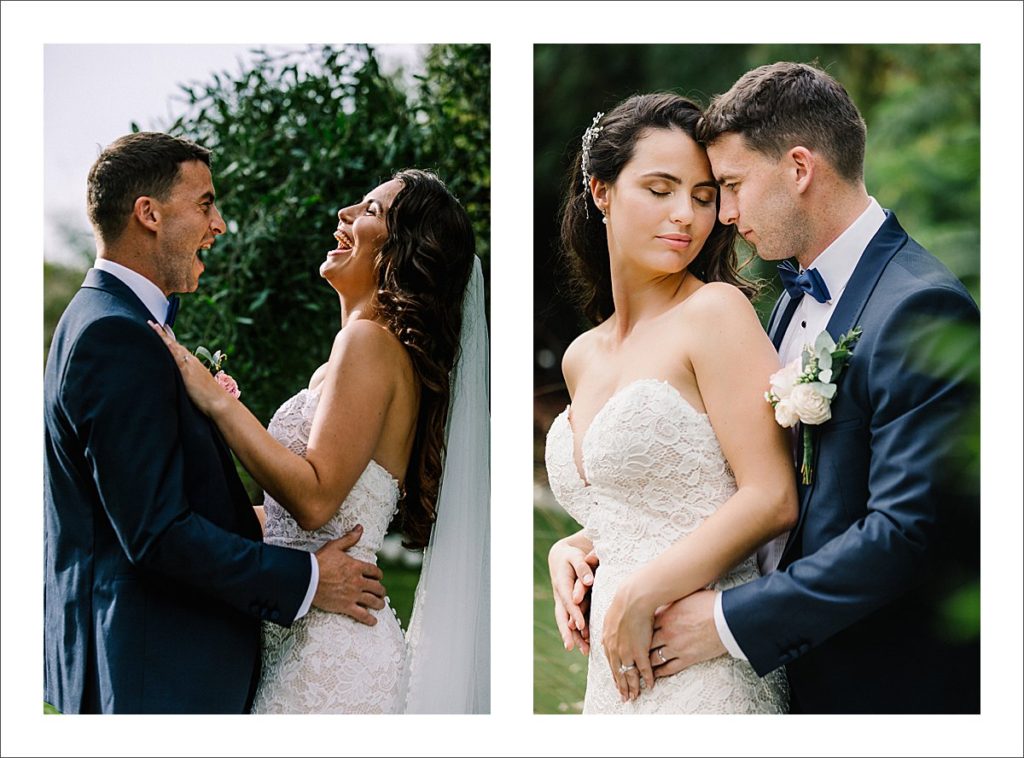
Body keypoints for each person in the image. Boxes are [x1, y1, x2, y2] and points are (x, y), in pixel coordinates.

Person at [638, 62, 981, 713]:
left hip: (881, 690)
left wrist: (727, 621)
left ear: (799, 169)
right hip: (790, 679)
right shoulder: (788, 298)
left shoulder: (922, 308)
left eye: (733, 185)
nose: (727, 214)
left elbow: (903, 534)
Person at [44, 132, 388, 714]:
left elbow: (133, 503)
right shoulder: (114, 335)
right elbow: (157, 534)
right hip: (154, 672)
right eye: (205, 203)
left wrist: (255, 519)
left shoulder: (104, 318)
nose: (219, 224)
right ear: (148, 214)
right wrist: (305, 579)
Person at [152, 168, 490, 714]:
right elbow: (286, 519)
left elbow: (313, 500)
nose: (346, 215)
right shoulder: (350, 356)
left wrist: (217, 402)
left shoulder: (369, 343)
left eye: (372, 211)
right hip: (302, 628)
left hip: (332, 656)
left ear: (403, 253)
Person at [544, 93, 798, 713]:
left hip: (700, 666)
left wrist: (639, 594)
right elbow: (642, 503)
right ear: (601, 190)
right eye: (660, 189)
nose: (685, 214)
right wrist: (570, 546)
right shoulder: (581, 356)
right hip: (615, 678)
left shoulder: (714, 313)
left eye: (705, 196)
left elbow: (770, 496)